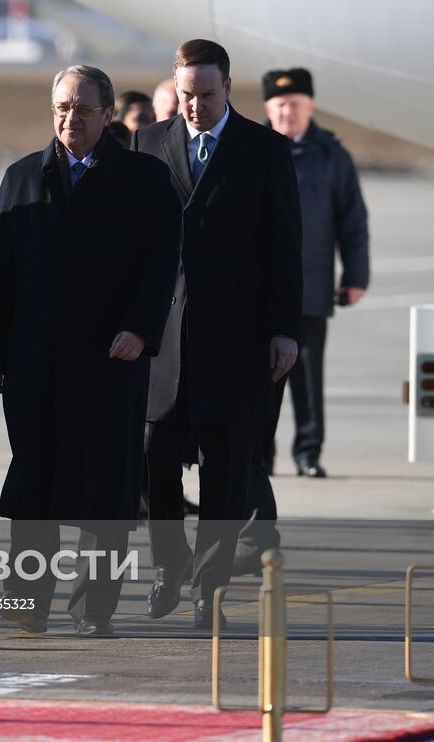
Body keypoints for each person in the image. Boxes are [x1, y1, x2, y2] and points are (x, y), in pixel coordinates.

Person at [0, 65, 181, 637]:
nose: (71, 119)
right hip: (35, 360)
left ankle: (94, 610)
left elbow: (162, 268)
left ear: (108, 114)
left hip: (111, 363)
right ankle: (26, 600)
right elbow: (1, 268)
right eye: (62, 108)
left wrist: (140, 330)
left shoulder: (143, 179)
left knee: (104, 490)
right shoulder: (22, 177)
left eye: (84, 110)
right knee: (33, 482)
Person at [133, 39, 301, 630]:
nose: (194, 106)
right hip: (163, 340)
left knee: (227, 471)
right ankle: (167, 565)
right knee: (154, 459)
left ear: (227, 87)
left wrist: (285, 330)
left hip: (237, 339)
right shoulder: (148, 143)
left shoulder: (265, 151)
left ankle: (211, 590)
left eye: (205, 94)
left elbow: (285, 248)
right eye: (185, 95)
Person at [261, 68, 369, 477]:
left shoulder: (331, 156)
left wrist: (356, 276)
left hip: (311, 283)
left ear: (310, 107)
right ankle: (260, 454)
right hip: (258, 288)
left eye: (295, 105)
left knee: (307, 375)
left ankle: (308, 452)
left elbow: (352, 220)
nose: (287, 112)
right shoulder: (252, 149)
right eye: (280, 105)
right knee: (259, 377)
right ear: (268, 108)